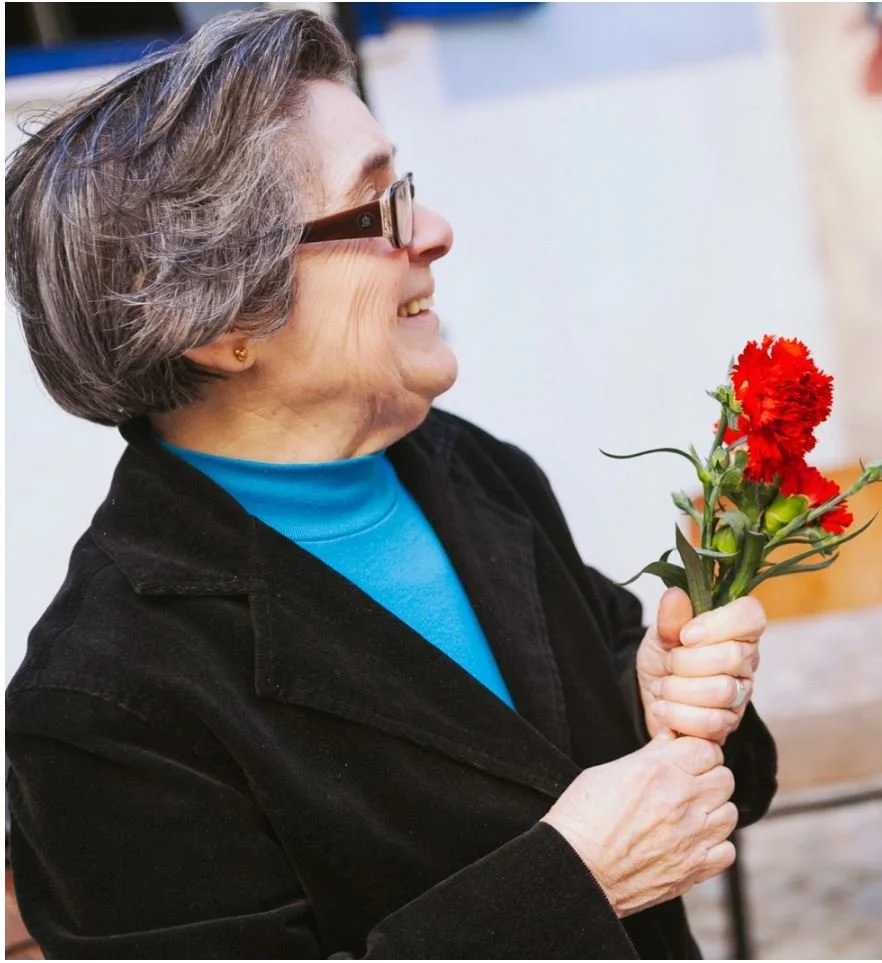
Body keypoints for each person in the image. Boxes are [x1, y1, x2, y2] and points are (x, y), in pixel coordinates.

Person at [4, 9, 776, 960]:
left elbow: (646, 782)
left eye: (404, 184)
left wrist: (665, 705)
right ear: (218, 319)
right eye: (378, 209)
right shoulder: (104, 696)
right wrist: (569, 885)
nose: (439, 230)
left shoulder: (468, 468)